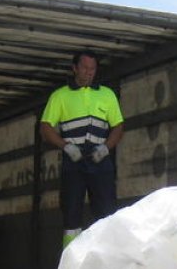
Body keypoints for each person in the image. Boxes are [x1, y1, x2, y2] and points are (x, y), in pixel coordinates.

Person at [39, 50, 124, 247]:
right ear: (74, 68)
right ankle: (70, 265)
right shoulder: (60, 96)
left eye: (92, 69)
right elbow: (45, 126)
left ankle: (106, 260)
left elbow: (118, 126)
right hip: (73, 159)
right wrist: (65, 146)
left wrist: (106, 148)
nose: (89, 72)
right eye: (84, 68)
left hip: (100, 158)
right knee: (71, 213)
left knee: (106, 213)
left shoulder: (107, 94)